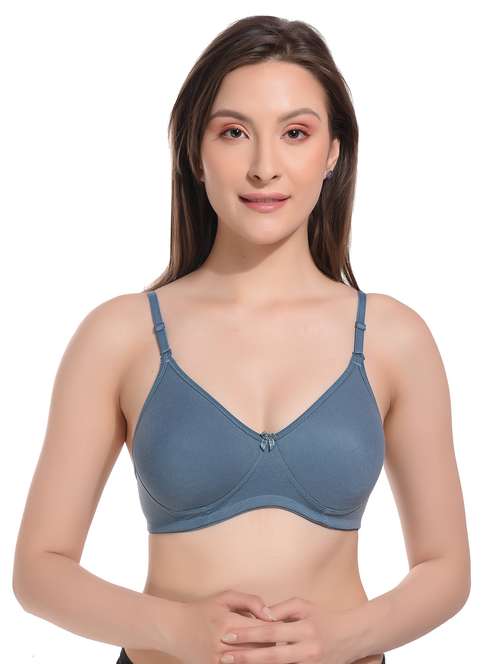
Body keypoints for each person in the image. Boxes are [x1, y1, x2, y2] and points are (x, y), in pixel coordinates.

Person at [12, 15, 470, 664]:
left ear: (333, 153)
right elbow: (38, 570)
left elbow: (447, 567)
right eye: (233, 132)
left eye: (295, 133)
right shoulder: (120, 336)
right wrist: (174, 628)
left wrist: (346, 636)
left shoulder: (395, 339)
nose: (264, 168)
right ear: (195, 153)